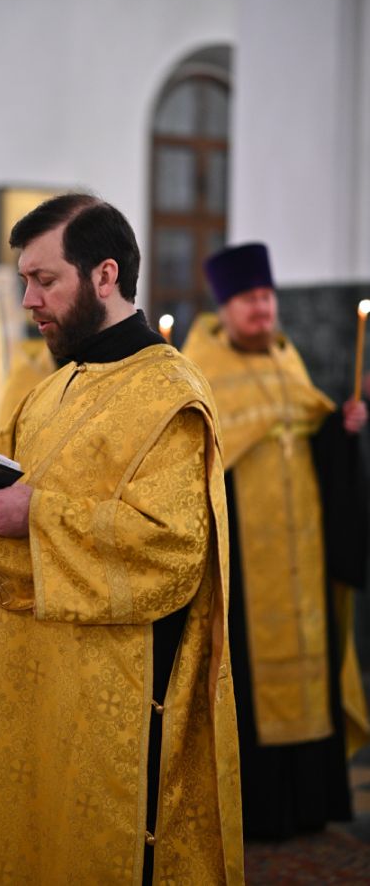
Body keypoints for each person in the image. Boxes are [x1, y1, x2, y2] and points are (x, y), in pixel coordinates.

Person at [0, 193, 244, 884]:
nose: (29, 300)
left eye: (44, 280)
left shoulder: (170, 394)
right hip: (30, 672)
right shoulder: (56, 385)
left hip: (111, 692)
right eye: (25, 281)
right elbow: (3, 473)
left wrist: (37, 514)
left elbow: (174, 551)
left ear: (104, 275)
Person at [182, 242, 370, 841]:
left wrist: (341, 429)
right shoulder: (201, 368)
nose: (261, 309)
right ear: (224, 309)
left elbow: (312, 429)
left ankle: (310, 803)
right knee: (246, 670)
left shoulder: (289, 360)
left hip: (302, 551)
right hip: (245, 560)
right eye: (248, 300)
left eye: (266, 297)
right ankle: (257, 810)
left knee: (313, 661)